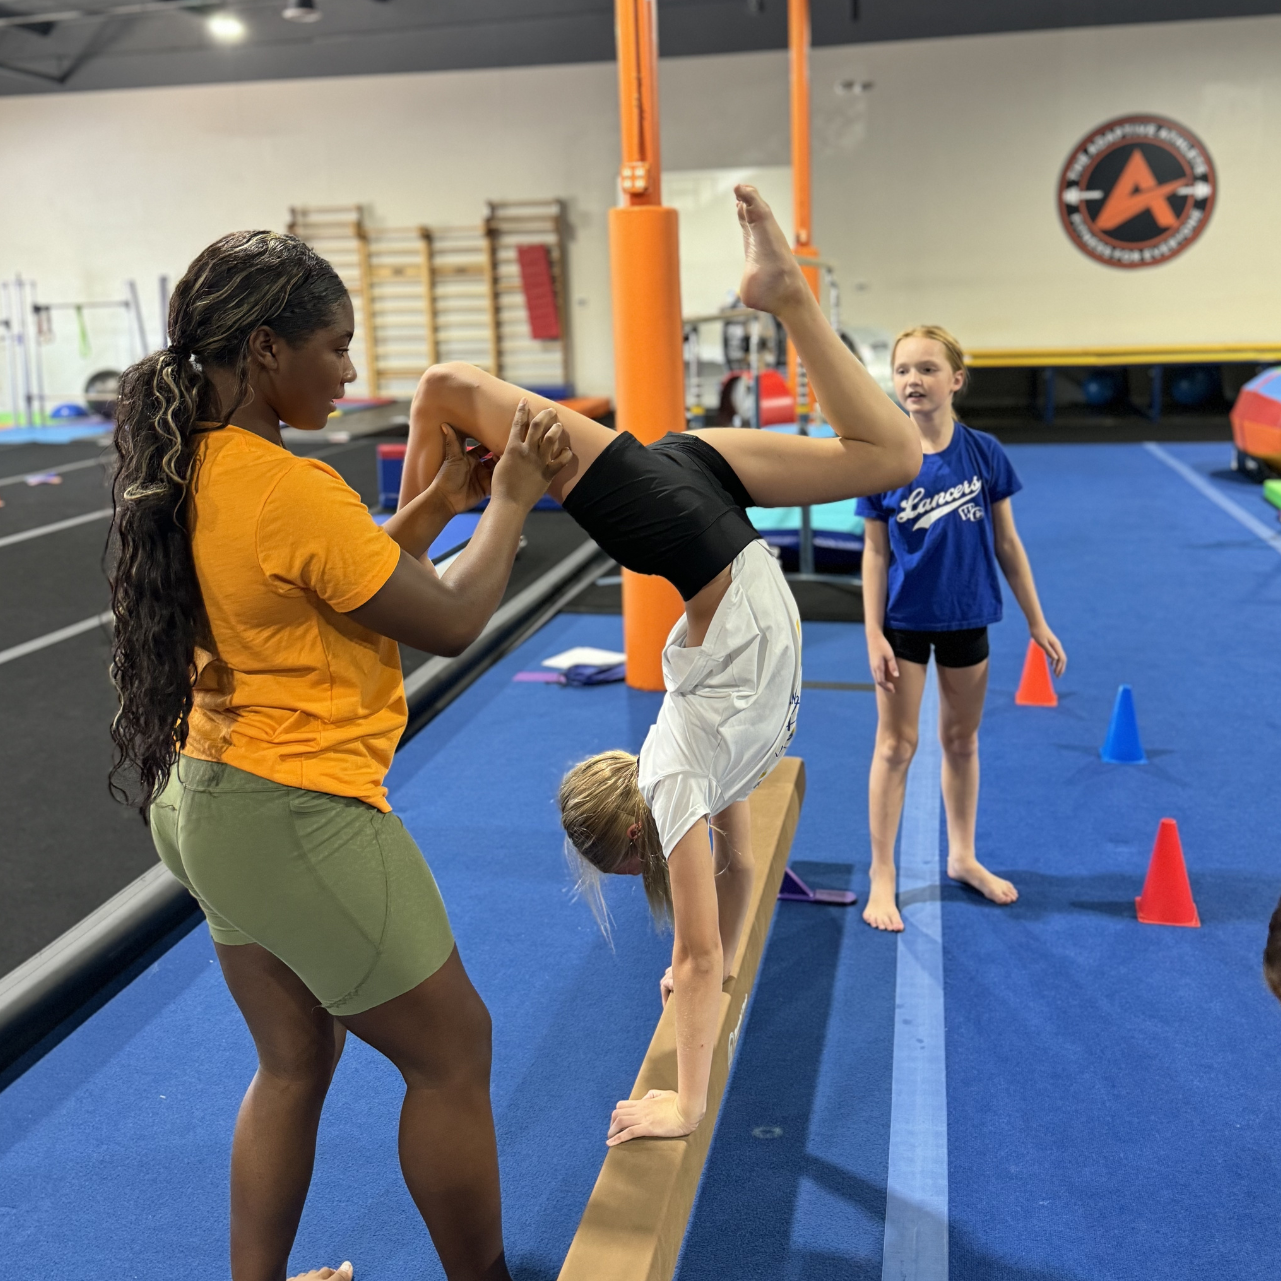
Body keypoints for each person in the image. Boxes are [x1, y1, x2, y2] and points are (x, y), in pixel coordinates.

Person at [396, 186, 922, 1147]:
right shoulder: (704, 775)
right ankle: (784, 295)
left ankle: (414, 554)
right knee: (893, 456)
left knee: (443, 385)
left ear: (644, 831)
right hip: (701, 514)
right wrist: (704, 974)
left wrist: (686, 1101)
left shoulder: (685, 779)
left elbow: (699, 945)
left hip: (685, 534)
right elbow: (740, 876)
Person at [108, 230, 570, 1281]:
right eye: (336, 346)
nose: (352, 371)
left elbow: (331, 581)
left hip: (203, 798)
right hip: (290, 808)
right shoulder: (291, 485)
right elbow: (450, 619)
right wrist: (512, 499)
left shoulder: (192, 464)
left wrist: (439, 506)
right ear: (266, 349)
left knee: (294, 1058)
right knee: (453, 1051)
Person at [856, 325, 1067, 932]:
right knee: (895, 746)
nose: (913, 380)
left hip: (967, 614)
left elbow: (1008, 543)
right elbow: (874, 553)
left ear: (955, 380)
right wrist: (872, 633)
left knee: (961, 741)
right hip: (902, 622)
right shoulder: (883, 456)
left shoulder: (983, 453)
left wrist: (1036, 619)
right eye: (902, 370)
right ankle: (882, 873)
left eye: (927, 369)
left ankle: (963, 856)